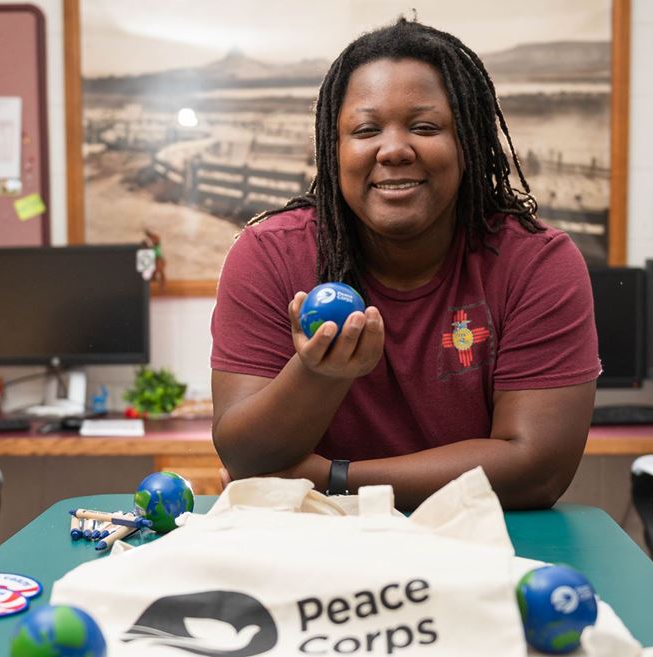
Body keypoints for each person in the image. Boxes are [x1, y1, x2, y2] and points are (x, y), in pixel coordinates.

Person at [210, 18, 599, 509]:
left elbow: (537, 469)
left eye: (425, 126)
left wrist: (333, 478)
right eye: (366, 129)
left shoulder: (536, 263)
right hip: (311, 550)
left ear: (469, 144)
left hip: (483, 548)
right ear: (334, 152)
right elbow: (246, 456)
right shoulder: (270, 254)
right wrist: (320, 374)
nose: (393, 150)